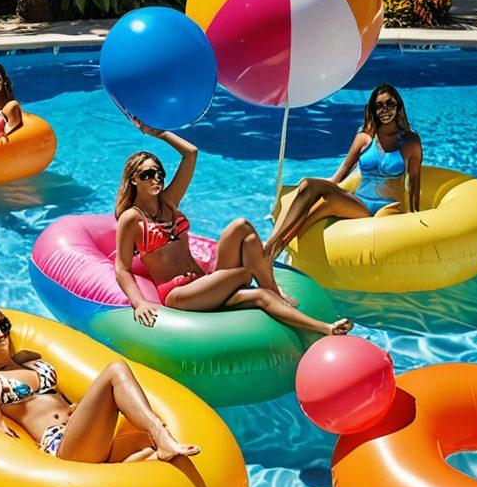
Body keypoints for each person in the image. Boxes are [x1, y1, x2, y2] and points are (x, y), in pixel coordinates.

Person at [114, 118, 353, 335]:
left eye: (159, 173)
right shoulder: (131, 219)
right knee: (247, 271)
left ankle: (326, 328)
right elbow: (122, 268)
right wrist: (139, 302)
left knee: (243, 231)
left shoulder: (168, 201)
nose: (155, 178)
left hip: (203, 281)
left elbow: (191, 154)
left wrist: (159, 132)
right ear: (133, 179)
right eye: (146, 174)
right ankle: (272, 287)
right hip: (178, 293)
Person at [0, 304, 200, 463]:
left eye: (3, 325)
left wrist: (76, 407)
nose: (0, 333)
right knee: (116, 370)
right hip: (61, 444)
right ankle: (162, 435)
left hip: (83, 434)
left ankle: (146, 452)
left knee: (146, 443)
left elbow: (58, 397)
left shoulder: (27, 359)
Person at [264, 84, 423, 261]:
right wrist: (307, 190)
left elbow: (414, 182)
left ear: (398, 106)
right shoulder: (364, 138)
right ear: (372, 109)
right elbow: (340, 176)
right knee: (308, 183)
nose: (385, 109)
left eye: (390, 104)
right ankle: (272, 245)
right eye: (379, 105)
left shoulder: (410, 141)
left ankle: (275, 248)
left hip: (387, 208)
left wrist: (414, 214)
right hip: (359, 204)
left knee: (326, 201)